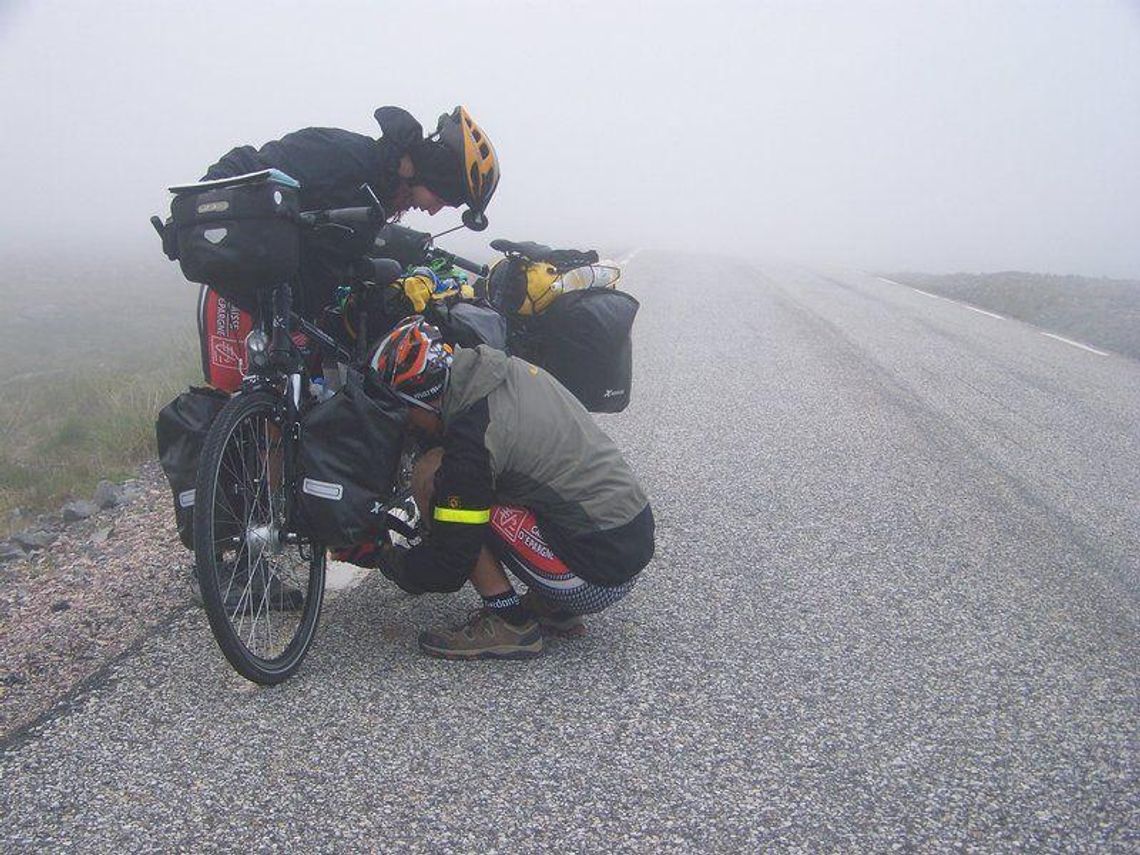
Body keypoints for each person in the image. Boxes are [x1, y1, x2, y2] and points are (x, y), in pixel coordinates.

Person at [359, 317, 655, 660]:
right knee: (491, 485)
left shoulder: (475, 440)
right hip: (624, 541)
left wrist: (385, 559)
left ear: (426, 402)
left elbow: (452, 561)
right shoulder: (499, 370)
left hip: (595, 575)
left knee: (433, 477)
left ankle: (510, 623)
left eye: (403, 411)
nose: (404, 422)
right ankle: (553, 606)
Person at [196, 105, 500, 393]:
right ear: (436, 173)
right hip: (242, 290)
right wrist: (202, 203)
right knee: (231, 407)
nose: (434, 211)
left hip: (280, 299)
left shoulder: (377, 191)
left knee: (281, 415)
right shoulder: (350, 156)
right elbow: (257, 163)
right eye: (443, 199)